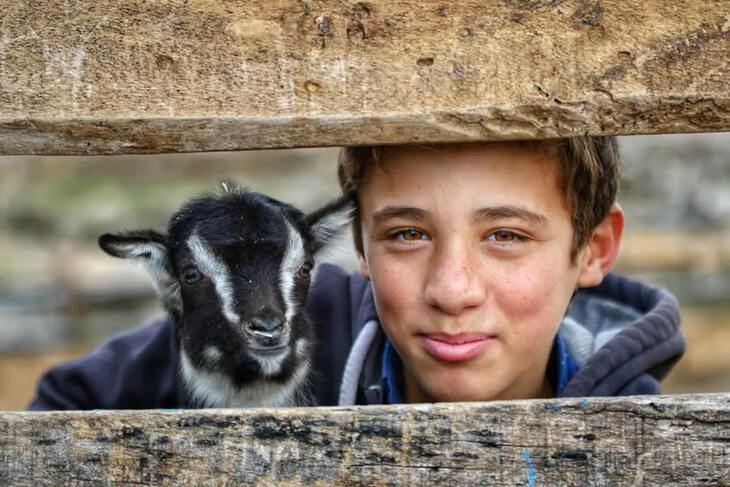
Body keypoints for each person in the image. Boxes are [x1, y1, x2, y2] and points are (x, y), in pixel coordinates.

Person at [28, 137, 685, 410]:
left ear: (594, 249)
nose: (452, 290)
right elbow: (58, 413)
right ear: (362, 246)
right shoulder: (307, 328)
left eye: (506, 236)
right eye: (406, 234)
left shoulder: (646, 438)